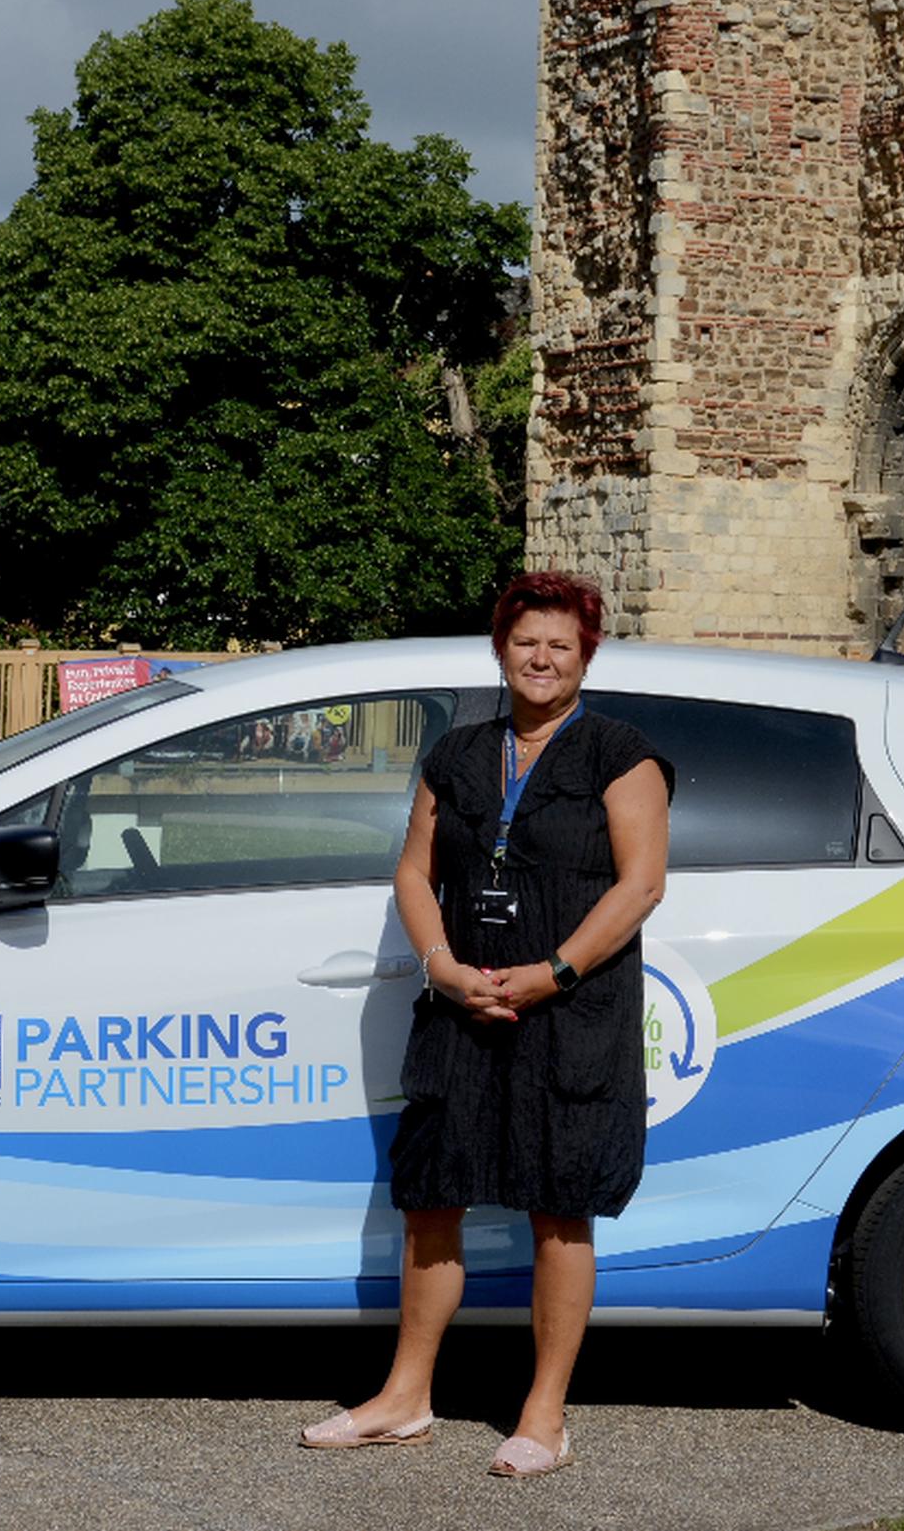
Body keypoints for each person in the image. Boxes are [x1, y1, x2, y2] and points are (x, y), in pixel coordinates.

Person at [300, 571, 672, 1477]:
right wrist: (444, 968)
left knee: (559, 1208)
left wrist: (553, 972)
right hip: (461, 1006)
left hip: (570, 1014)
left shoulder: (621, 755)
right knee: (432, 1201)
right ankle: (404, 1397)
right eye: (525, 640)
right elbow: (412, 874)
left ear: (587, 654)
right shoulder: (458, 753)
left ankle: (544, 1415)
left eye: (561, 643)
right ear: (499, 648)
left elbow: (641, 885)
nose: (541, 657)